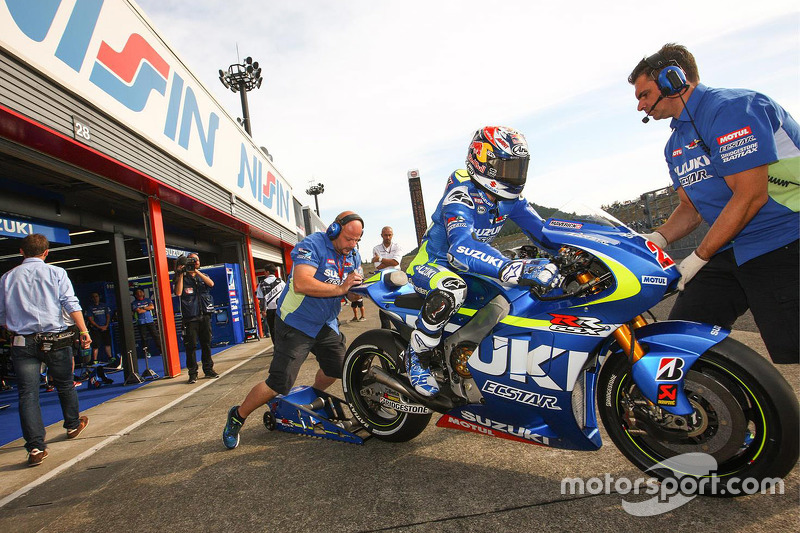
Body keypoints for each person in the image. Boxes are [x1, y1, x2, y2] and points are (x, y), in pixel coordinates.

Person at [629, 43, 799, 364]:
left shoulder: (733, 109)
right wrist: (657, 240)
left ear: (672, 80)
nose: (640, 106)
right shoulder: (675, 143)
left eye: (645, 94)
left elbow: (750, 196)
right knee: (678, 341)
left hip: (782, 243)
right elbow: (689, 209)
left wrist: (697, 256)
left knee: (793, 348)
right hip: (728, 249)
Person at [403, 126, 560, 396]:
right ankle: (416, 355)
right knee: (452, 288)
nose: (517, 176)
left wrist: (578, 250)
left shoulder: (513, 201)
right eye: (509, 168)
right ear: (483, 162)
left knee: (517, 293)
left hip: (469, 268)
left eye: (520, 168)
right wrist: (507, 267)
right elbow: (460, 248)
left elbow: (544, 234)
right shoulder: (460, 196)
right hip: (433, 266)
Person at [222, 211, 364, 449]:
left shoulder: (353, 256)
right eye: (349, 239)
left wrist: (355, 289)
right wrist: (341, 288)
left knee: (339, 368)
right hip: (295, 322)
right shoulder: (312, 245)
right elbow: (302, 283)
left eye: (357, 240)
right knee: (279, 384)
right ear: (334, 231)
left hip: (325, 323)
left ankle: (308, 399)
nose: (352, 245)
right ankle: (238, 415)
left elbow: (349, 292)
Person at [0, 234, 91, 466]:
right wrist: (83, 331)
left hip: (22, 341)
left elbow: (2, 315)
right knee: (64, 383)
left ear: (21, 251)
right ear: (46, 252)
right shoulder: (57, 273)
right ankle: (72, 425)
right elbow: (71, 303)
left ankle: (35, 448)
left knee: (28, 394)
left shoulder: (7, 278)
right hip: (56, 338)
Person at [174, 253, 218, 383]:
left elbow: (211, 284)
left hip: (204, 314)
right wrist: (181, 274)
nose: (195, 262)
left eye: (196, 260)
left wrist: (197, 272)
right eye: (192, 260)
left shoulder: (203, 276)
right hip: (190, 317)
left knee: (206, 343)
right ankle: (192, 373)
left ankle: (208, 370)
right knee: (191, 346)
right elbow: (178, 292)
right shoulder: (181, 276)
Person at [372, 226, 404, 329]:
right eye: (385, 235)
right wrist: (390, 262)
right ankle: (386, 331)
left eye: (389, 235)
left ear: (392, 235)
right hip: (384, 280)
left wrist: (381, 258)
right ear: (381, 235)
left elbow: (396, 262)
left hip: (397, 279)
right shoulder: (376, 248)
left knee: (398, 304)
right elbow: (378, 266)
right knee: (383, 305)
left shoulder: (398, 246)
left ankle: (401, 330)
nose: (388, 237)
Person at [256, 263, 285, 337]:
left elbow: (261, 298)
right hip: (280, 309)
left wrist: (263, 310)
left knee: (272, 330)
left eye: (265, 271)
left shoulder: (261, 284)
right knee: (282, 329)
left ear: (267, 272)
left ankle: (276, 346)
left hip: (270, 310)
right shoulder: (281, 282)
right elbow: (286, 295)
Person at [85, 292, 113, 364]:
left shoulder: (104, 306)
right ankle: (95, 360)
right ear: (92, 298)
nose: (95, 298)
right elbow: (90, 319)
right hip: (95, 329)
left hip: (105, 328)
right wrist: (99, 327)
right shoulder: (90, 308)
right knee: (95, 345)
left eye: (96, 296)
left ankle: (110, 358)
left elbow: (108, 316)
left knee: (107, 343)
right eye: (94, 297)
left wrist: (106, 325)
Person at [131, 288, 160, 358]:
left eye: (141, 292)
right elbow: (139, 311)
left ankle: (161, 350)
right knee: (144, 338)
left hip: (150, 321)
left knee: (156, 336)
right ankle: (146, 352)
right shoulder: (134, 303)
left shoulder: (147, 300)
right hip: (141, 322)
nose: (140, 294)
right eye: (138, 293)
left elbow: (152, 307)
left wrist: (143, 308)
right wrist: (146, 308)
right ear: (135, 295)